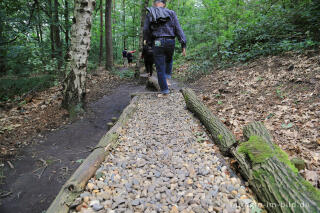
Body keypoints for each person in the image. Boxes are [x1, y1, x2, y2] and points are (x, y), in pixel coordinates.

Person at [143, 0, 186, 96]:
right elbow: (178, 28)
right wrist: (183, 43)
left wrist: (147, 42)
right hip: (171, 41)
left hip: (158, 41)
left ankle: (165, 91)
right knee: (169, 59)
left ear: (155, 4)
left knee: (160, 66)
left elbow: (146, 29)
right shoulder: (171, 13)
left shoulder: (150, 13)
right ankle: (167, 78)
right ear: (164, 4)